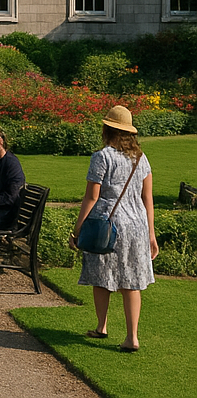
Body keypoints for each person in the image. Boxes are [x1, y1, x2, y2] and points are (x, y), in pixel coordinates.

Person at [69, 105, 158, 352]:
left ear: (107, 129)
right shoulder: (141, 157)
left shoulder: (102, 157)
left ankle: (102, 326)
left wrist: (77, 230)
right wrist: (151, 234)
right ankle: (132, 337)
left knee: (101, 275)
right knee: (132, 282)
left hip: (108, 224)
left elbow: (91, 197)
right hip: (137, 226)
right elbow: (147, 198)